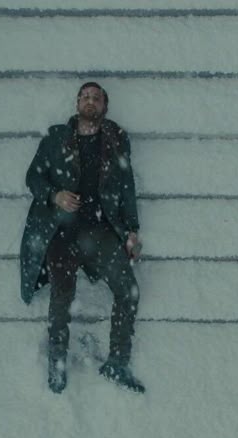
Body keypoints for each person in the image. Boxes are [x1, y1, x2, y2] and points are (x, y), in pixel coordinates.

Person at [19, 82, 144, 394]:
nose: (91, 101)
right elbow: (33, 177)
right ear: (77, 103)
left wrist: (131, 231)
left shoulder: (116, 140)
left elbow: (127, 186)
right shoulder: (56, 138)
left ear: (104, 106)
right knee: (62, 296)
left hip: (100, 231)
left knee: (128, 290)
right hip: (60, 231)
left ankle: (117, 363)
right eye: (85, 96)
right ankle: (57, 363)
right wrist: (55, 195)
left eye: (96, 98)